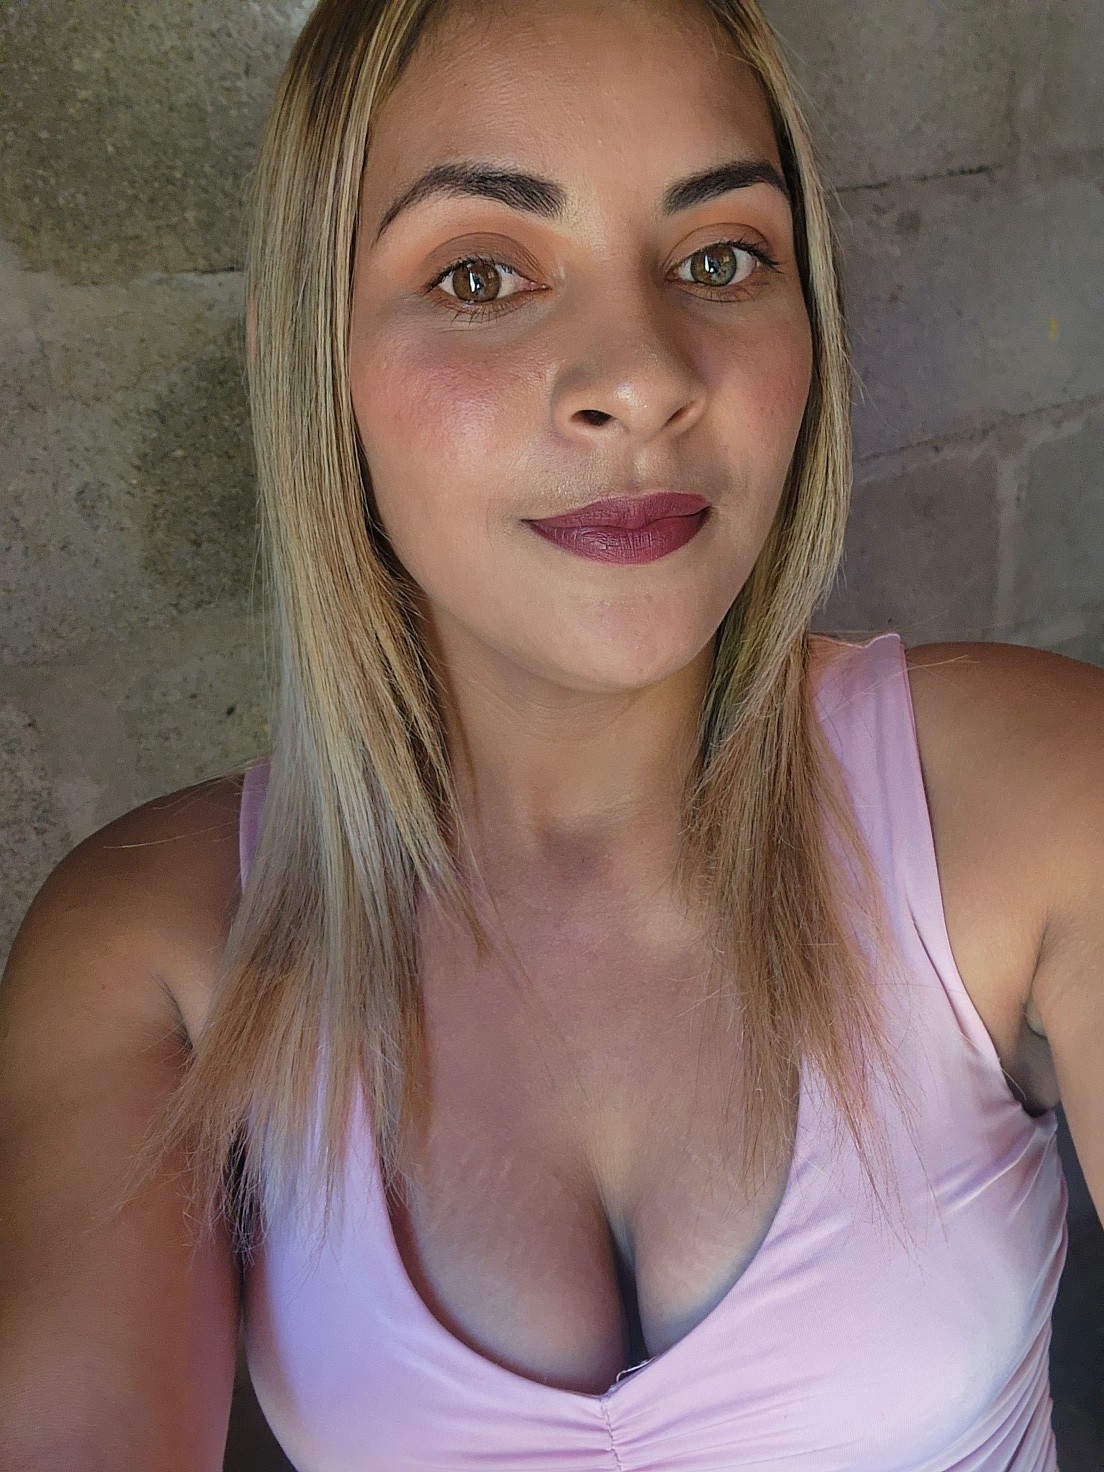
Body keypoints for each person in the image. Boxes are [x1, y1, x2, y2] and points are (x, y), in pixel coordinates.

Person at [1, 0, 1101, 1467]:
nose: (642, 376)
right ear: (313, 364)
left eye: (721, 258)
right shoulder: (156, 943)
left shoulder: (1036, 797)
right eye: (480, 276)